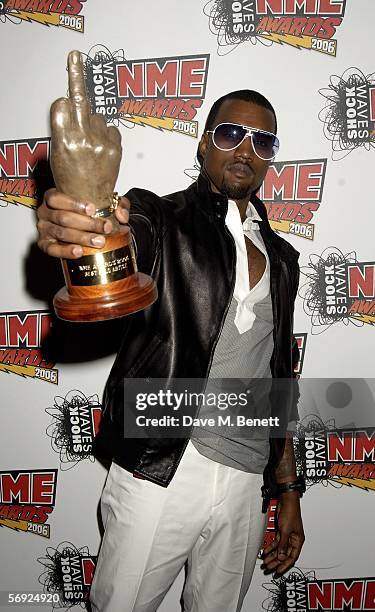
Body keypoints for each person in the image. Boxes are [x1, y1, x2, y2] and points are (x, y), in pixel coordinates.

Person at [37, 51, 304, 612]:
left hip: (245, 480)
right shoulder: (166, 219)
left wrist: (288, 491)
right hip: (164, 465)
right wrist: (92, 221)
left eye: (263, 141)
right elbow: (126, 228)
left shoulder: (283, 258)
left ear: (271, 159)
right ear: (204, 143)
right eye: (231, 133)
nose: (245, 150)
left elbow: (280, 376)